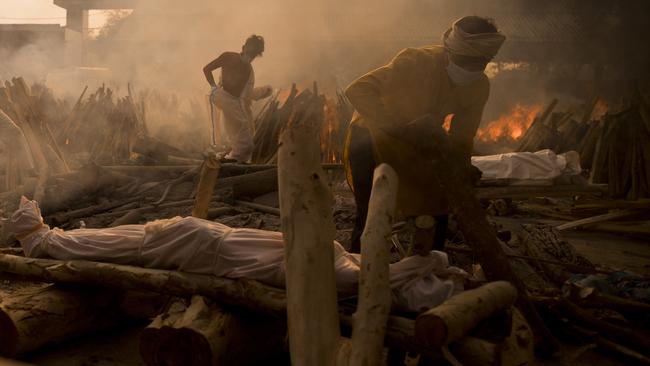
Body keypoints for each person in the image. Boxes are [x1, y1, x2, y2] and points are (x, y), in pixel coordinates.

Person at [5, 197, 467, 313]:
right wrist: (425, 266)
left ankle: (37, 232)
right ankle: (37, 236)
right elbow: (377, 278)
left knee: (110, 241)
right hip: (195, 244)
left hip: (200, 237)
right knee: (107, 244)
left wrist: (428, 264)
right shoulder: (340, 273)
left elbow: (385, 273)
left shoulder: (338, 259)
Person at [343, 16, 505, 254]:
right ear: (450, 51)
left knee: (437, 202)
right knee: (372, 211)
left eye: (480, 63)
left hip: (415, 142)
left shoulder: (479, 86)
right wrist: (395, 127)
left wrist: (461, 167)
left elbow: (463, 136)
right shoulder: (416, 61)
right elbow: (358, 89)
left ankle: (429, 266)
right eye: (466, 61)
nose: (472, 69)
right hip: (371, 136)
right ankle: (357, 272)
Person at [203, 35, 272, 163]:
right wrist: (214, 87)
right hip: (221, 96)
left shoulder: (248, 71)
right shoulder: (228, 57)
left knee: (242, 140)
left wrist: (264, 91)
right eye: (249, 52)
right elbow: (206, 69)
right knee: (245, 144)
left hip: (234, 103)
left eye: (253, 55)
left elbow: (246, 95)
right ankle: (232, 161)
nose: (250, 57)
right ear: (243, 47)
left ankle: (229, 161)